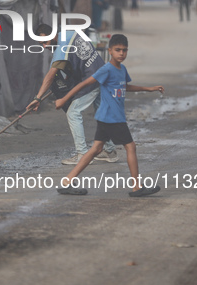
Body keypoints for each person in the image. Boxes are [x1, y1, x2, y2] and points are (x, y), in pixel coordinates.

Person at [54, 34, 164, 197]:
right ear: (110, 51)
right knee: (130, 147)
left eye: (124, 50)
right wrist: (63, 99)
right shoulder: (105, 69)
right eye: (118, 50)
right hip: (113, 117)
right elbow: (85, 83)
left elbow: (125, 86)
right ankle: (136, 187)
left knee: (95, 149)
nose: (121, 53)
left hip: (108, 117)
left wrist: (150, 89)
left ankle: (67, 181)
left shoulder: (122, 70)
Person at [27, 24, 118, 165]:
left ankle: (82, 154)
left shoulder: (60, 50)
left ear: (53, 36)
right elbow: (78, 57)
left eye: (45, 42)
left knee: (73, 113)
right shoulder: (71, 33)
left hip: (92, 79)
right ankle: (110, 151)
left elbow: (50, 76)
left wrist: (37, 98)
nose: (44, 46)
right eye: (41, 44)